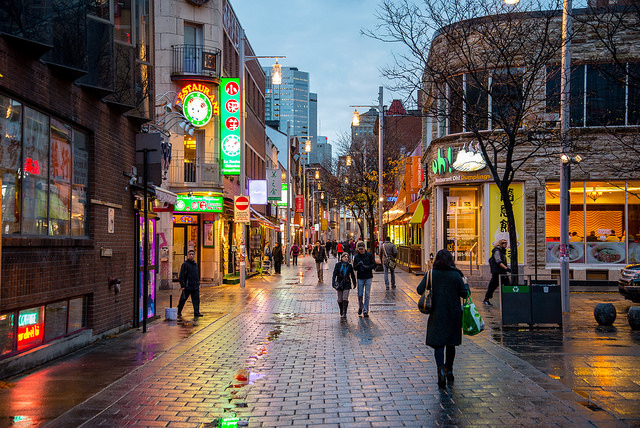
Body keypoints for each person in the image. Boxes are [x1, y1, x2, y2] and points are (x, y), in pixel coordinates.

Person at [416, 249, 469, 388]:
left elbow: (419, 290)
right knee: (451, 343)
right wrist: (466, 284)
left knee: (439, 344)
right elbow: (465, 294)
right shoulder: (456, 275)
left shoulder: (431, 274)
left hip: (437, 313)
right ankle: (449, 370)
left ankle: (440, 370)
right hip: (453, 314)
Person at [483, 239, 510, 306]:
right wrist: (506, 268)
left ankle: (508, 298)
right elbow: (498, 261)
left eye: (506, 244)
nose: (506, 245)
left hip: (501, 272)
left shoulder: (502, 251)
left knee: (507, 284)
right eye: (505, 244)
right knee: (493, 286)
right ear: (501, 244)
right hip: (497, 272)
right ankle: (486, 299)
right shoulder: (497, 251)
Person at [353, 241, 376, 317]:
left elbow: (374, 265)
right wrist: (358, 265)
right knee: (360, 294)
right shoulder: (356, 257)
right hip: (360, 277)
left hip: (368, 277)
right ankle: (361, 306)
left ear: (364, 248)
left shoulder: (369, 255)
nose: (360, 250)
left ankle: (365, 310)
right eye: (359, 249)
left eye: (362, 249)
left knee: (367, 294)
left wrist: (367, 267)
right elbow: (354, 268)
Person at [177, 249, 202, 318]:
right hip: (187, 286)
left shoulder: (195, 264)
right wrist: (182, 285)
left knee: (196, 300)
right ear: (188, 255)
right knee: (183, 299)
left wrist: (198, 282)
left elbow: (197, 274)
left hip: (194, 286)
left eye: (192, 254)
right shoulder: (185, 264)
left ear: (194, 255)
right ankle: (179, 311)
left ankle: (196, 312)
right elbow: (181, 275)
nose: (191, 256)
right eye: (190, 254)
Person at [332, 252, 357, 318]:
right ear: (342, 258)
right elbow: (334, 274)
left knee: (345, 298)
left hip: (347, 283)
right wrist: (333, 282)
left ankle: (344, 312)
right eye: (344, 257)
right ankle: (341, 310)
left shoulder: (349, 266)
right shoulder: (338, 265)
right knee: (340, 299)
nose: (346, 258)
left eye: (347, 257)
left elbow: (352, 275)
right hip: (339, 283)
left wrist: (354, 283)